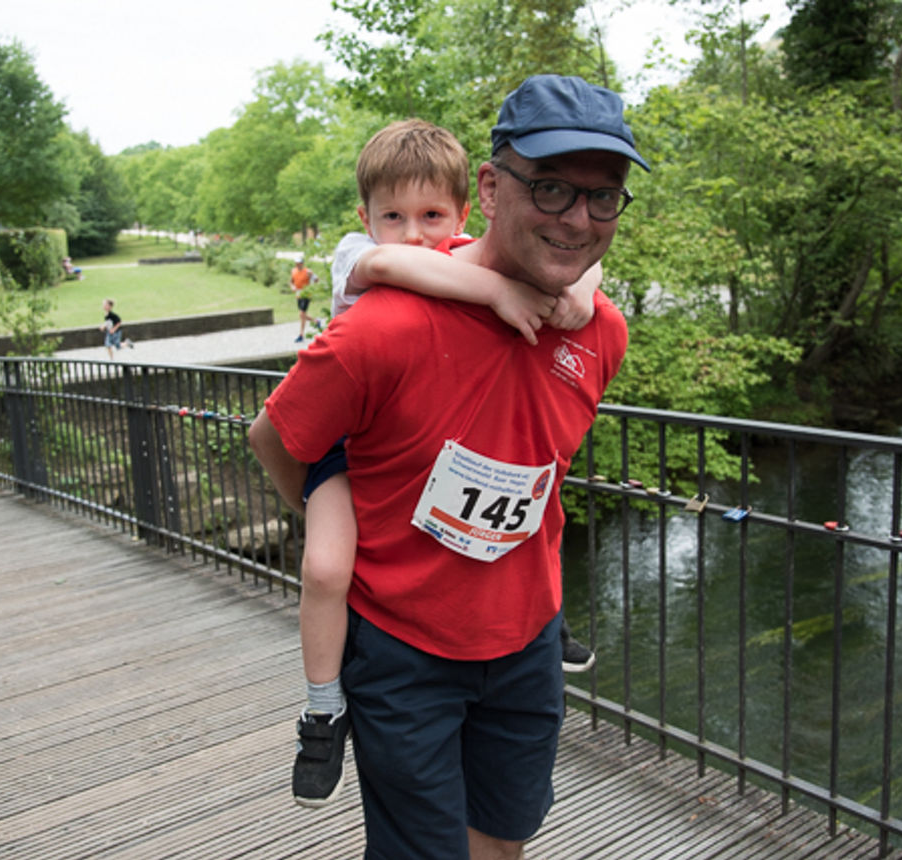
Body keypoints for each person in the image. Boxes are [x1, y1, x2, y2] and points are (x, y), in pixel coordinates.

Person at [249, 74, 648, 857]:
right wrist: (362, 537)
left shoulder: (600, 332)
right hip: (405, 655)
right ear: (493, 189)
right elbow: (274, 437)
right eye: (555, 188)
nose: (579, 218)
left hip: (528, 642)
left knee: (502, 843)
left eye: (604, 199)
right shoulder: (380, 329)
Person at [286, 118, 601, 811]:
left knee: (526, 468)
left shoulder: (459, 248)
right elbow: (405, 267)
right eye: (392, 216)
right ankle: (320, 710)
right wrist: (495, 292)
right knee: (327, 566)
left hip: (449, 473)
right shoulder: (361, 258)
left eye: (432, 216)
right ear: (364, 219)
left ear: (462, 212)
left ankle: (549, 620)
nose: (416, 233)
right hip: (345, 440)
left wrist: (585, 281)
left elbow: (572, 251)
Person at [290, 258, 317, 343]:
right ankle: (316, 321)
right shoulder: (293, 271)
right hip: (298, 295)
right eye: (297, 263)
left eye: (300, 263)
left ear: (302, 263)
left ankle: (301, 335)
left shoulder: (307, 271)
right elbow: (291, 281)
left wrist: (312, 277)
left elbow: (316, 280)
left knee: (302, 314)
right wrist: (292, 287)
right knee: (302, 315)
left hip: (306, 294)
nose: (298, 265)